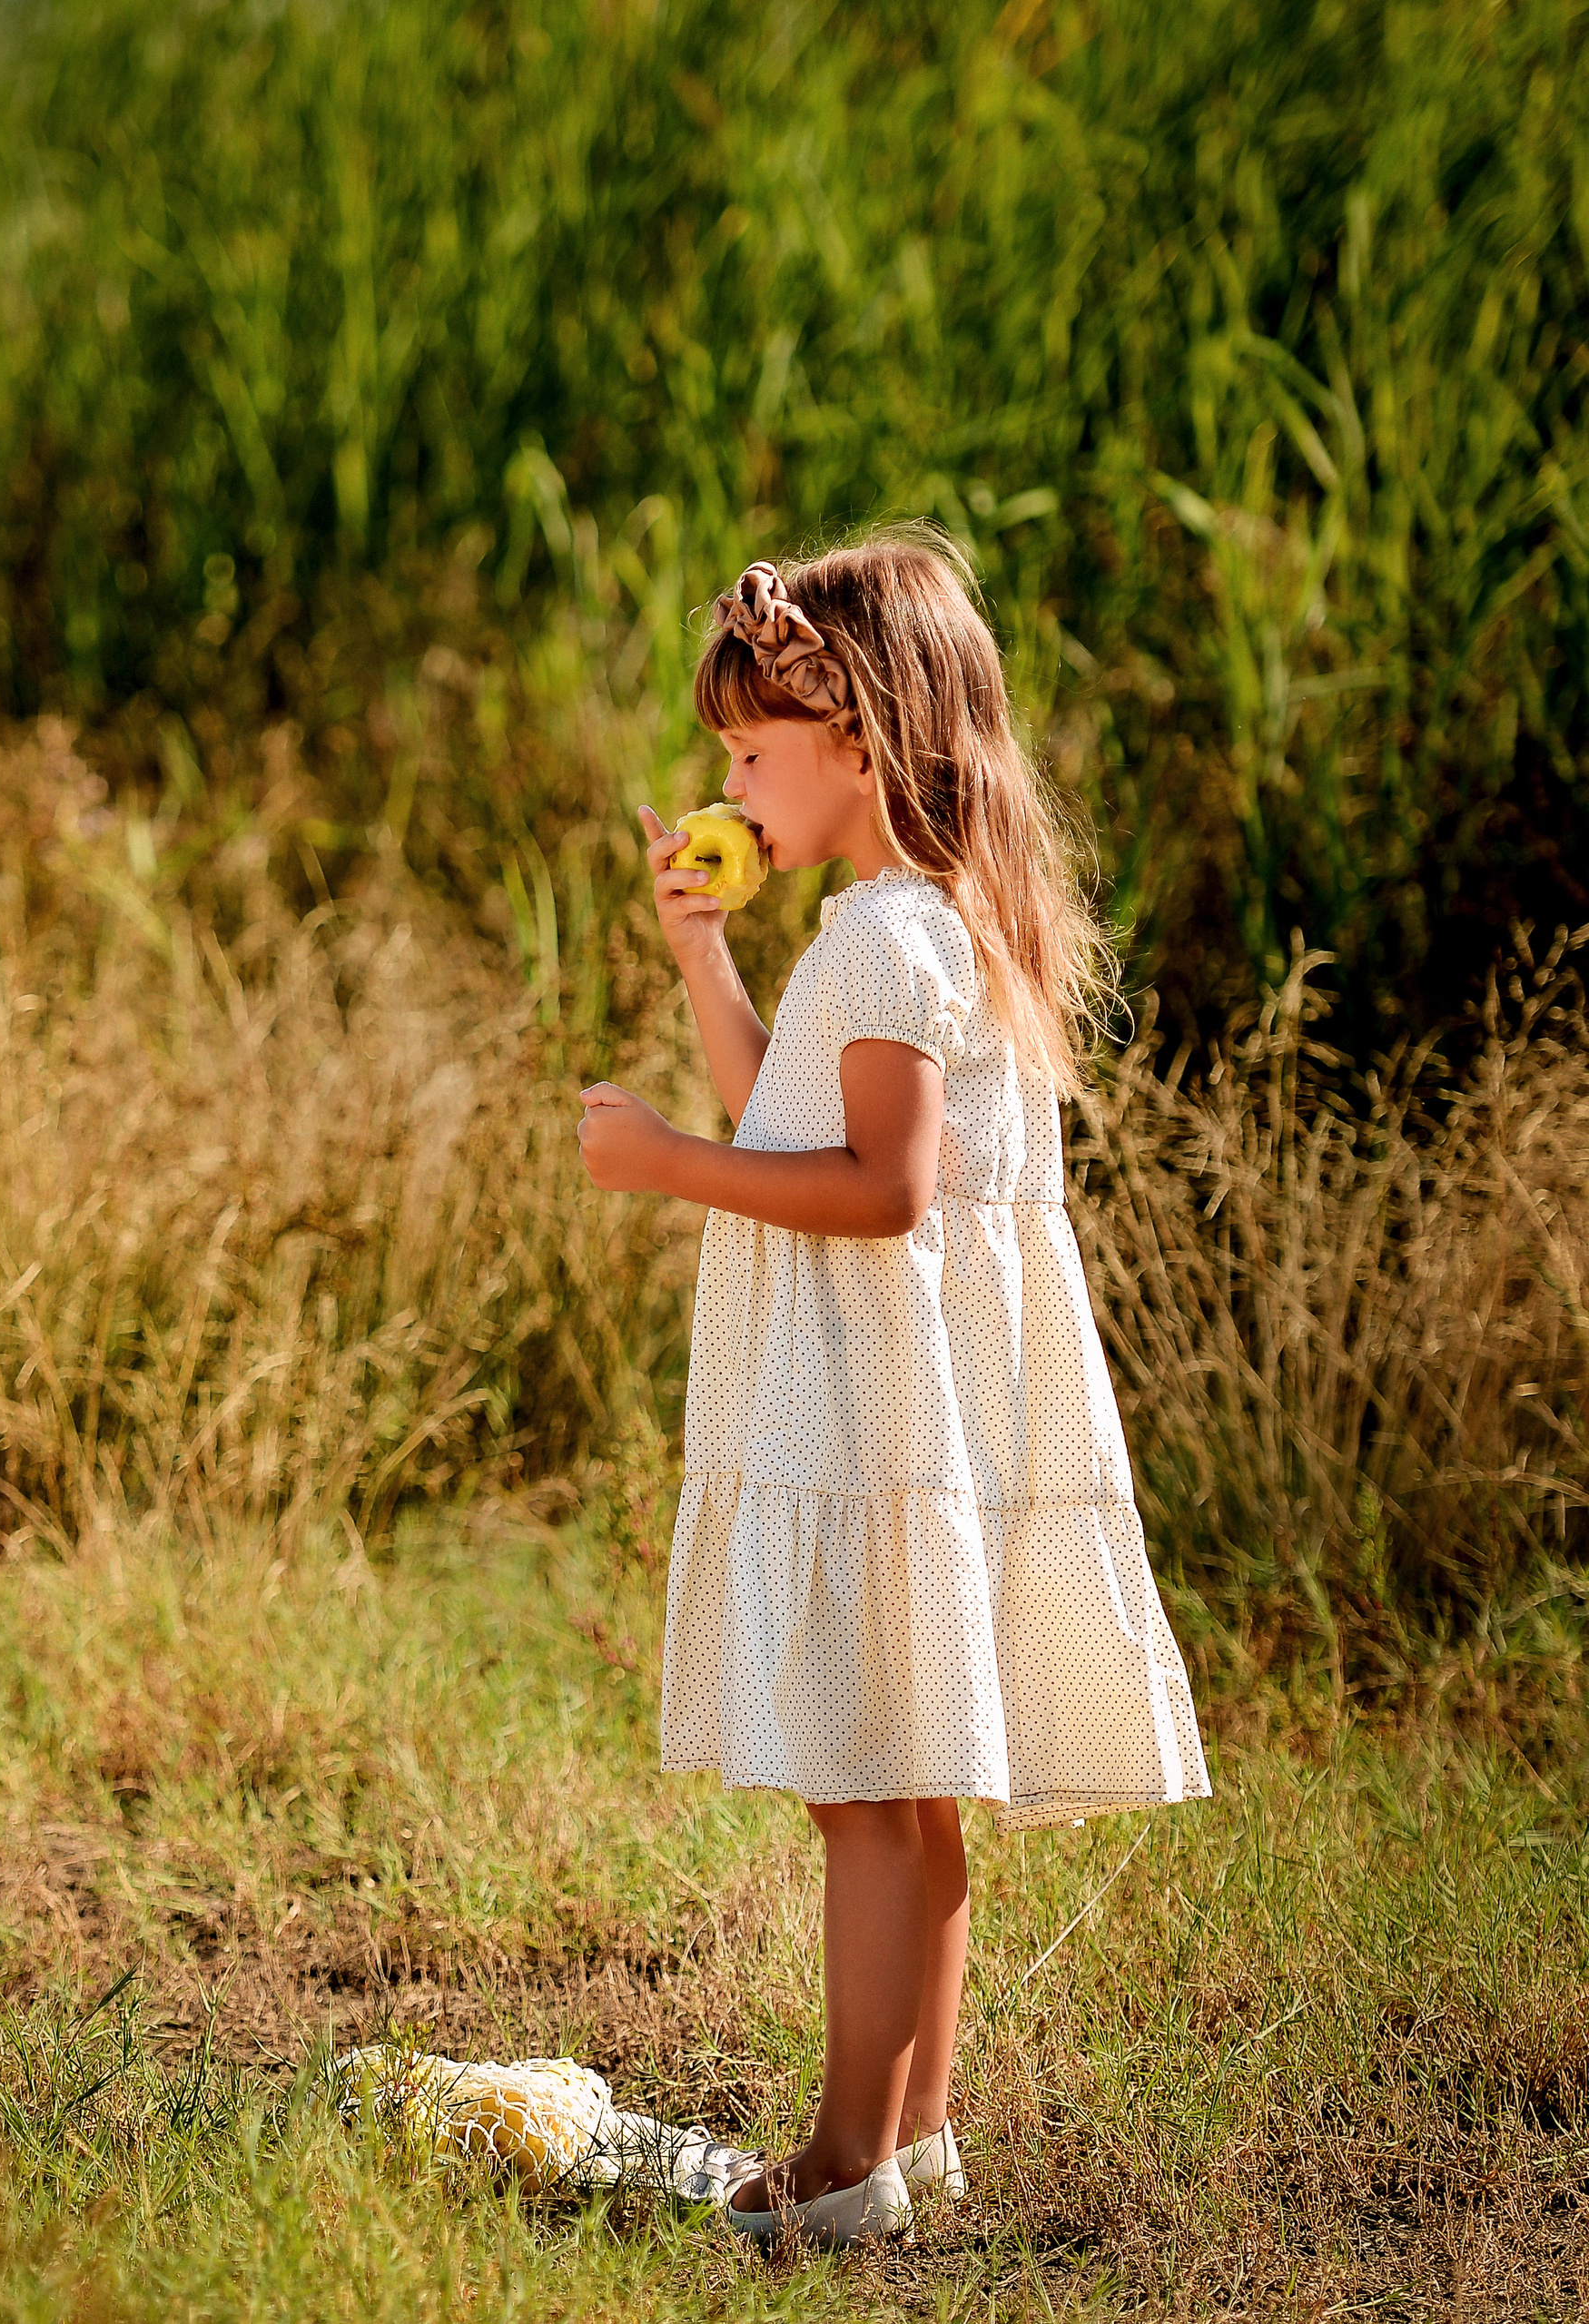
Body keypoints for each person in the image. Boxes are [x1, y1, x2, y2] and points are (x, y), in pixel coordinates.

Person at [577, 531, 1210, 2250]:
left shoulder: (880, 938)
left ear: (857, 736)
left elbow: (880, 1189)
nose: (729, 781)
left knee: (865, 1788)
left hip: (870, 1415)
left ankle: (844, 2160)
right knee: (908, 1785)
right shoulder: (934, 921)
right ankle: (915, 2142)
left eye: (751, 751)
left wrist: (662, 1166)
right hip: (918, 1413)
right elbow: (802, 1118)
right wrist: (703, 950)